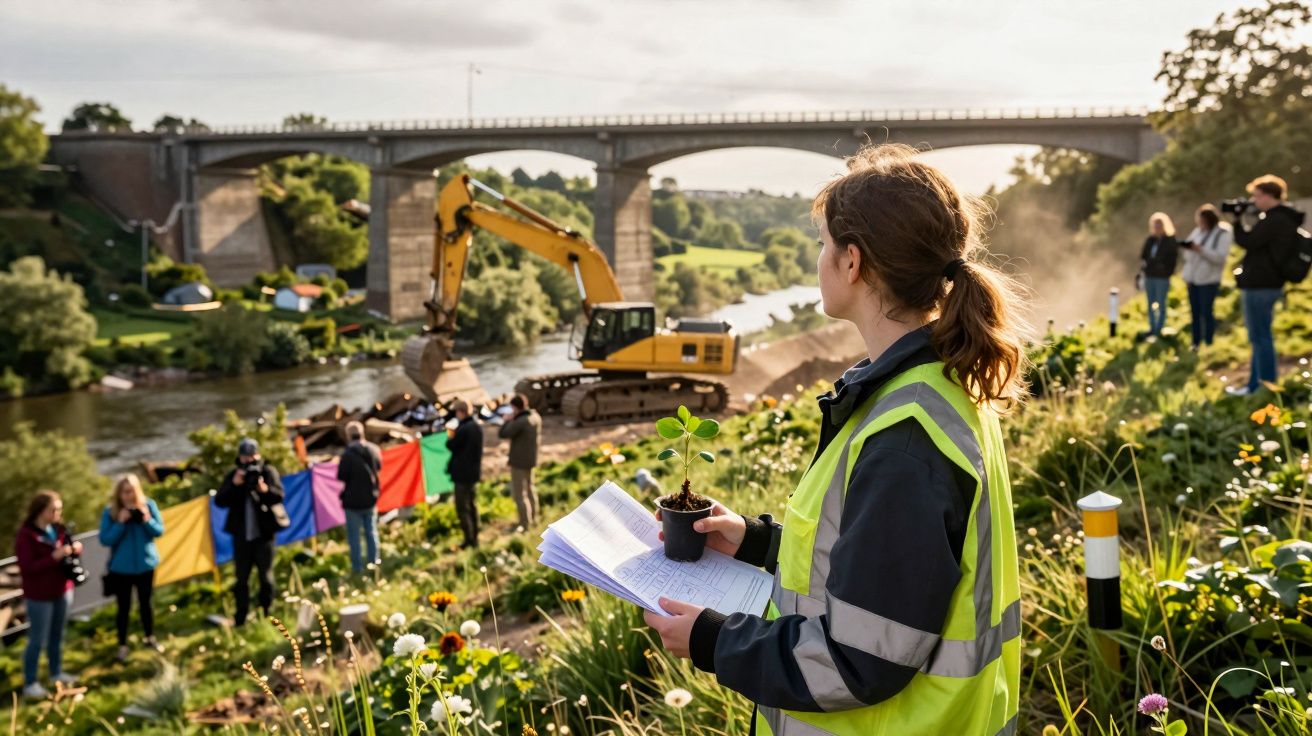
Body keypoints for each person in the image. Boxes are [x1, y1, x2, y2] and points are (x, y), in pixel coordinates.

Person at [644, 144, 1024, 736]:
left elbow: (858, 660)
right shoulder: (933, 389)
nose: (819, 259)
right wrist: (755, 543)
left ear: (852, 262)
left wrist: (712, 641)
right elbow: (878, 564)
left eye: (823, 244)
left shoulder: (906, 438)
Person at [1227, 174, 1307, 396]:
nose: (1254, 201)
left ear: (1271, 196)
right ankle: (1255, 384)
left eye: (1257, 196)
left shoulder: (1276, 219)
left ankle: (1265, 385)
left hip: (1261, 284)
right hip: (1266, 284)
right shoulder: (1282, 218)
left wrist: (1237, 220)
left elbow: (1247, 241)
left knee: (1260, 336)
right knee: (1259, 336)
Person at [15, 491, 83, 698]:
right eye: (53, 509)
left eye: (59, 509)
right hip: (39, 596)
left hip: (62, 590)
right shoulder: (26, 535)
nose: (57, 513)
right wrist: (53, 557)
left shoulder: (58, 528)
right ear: (40, 510)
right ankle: (30, 683)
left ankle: (56, 673)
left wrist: (73, 551)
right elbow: (27, 567)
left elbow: (63, 554)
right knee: (36, 640)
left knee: (57, 636)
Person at [214, 438, 284, 626]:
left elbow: (278, 496)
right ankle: (241, 617)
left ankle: (267, 612)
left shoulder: (267, 472)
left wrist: (264, 489)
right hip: (242, 538)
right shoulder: (234, 475)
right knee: (241, 579)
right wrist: (235, 484)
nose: (248, 461)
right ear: (240, 458)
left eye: (251, 457)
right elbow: (219, 501)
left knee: (266, 576)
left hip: (264, 536)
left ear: (258, 455)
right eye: (245, 457)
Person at [98, 474, 166, 662]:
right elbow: (105, 539)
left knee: (146, 603)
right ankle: (122, 644)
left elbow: (159, 530)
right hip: (121, 569)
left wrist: (145, 520)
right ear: (118, 494)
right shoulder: (111, 512)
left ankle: (150, 637)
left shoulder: (148, 505)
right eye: (124, 492)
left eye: (131, 491)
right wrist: (120, 522)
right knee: (123, 608)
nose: (128, 496)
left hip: (145, 564)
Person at [1180, 204, 1233, 350]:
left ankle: (1209, 341)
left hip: (1209, 279)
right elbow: (1188, 256)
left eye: (1203, 221)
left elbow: (1220, 258)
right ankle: (1195, 342)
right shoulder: (1197, 231)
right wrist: (1187, 277)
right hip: (1193, 279)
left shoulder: (1223, 232)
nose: (1201, 224)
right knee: (1195, 313)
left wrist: (1201, 250)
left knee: (1206, 312)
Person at [337, 421, 383, 573]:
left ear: (348, 436)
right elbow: (379, 467)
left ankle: (357, 569)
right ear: (362, 433)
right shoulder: (374, 450)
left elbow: (342, 476)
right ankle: (374, 562)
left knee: (354, 537)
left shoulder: (347, 455)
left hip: (352, 501)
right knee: (371, 531)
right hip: (371, 497)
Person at [497, 394, 541, 529]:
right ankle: (534, 517)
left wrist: (507, 420)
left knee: (519, 495)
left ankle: (524, 523)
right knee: (530, 489)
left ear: (515, 407)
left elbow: (503, 434)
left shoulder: (521, 421)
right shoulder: (535, 417)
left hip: (519, 462)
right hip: (531, 459)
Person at [445, 400, 483, 549]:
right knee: (472, 505)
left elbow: (451, 446)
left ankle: (469, 540)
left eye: (456, 412)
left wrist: (450, 435)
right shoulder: (477, 427)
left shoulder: (463, 429)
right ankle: (475, 535)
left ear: (461, 412)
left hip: (462, 475)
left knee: (462, 508)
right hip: (473, 473)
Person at [1139, 212, 1179, 339]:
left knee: (1161, 303)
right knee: (1151, 303)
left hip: (1162, 277)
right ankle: (1152, 328)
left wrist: (1166, 271)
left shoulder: (1170, 240)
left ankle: (1158, 329)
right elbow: (1143, 256)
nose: (1157, 228)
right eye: (1155, 225)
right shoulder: (1150, 240)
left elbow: (1173, 259)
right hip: (1150, 276)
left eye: (1159, 225)